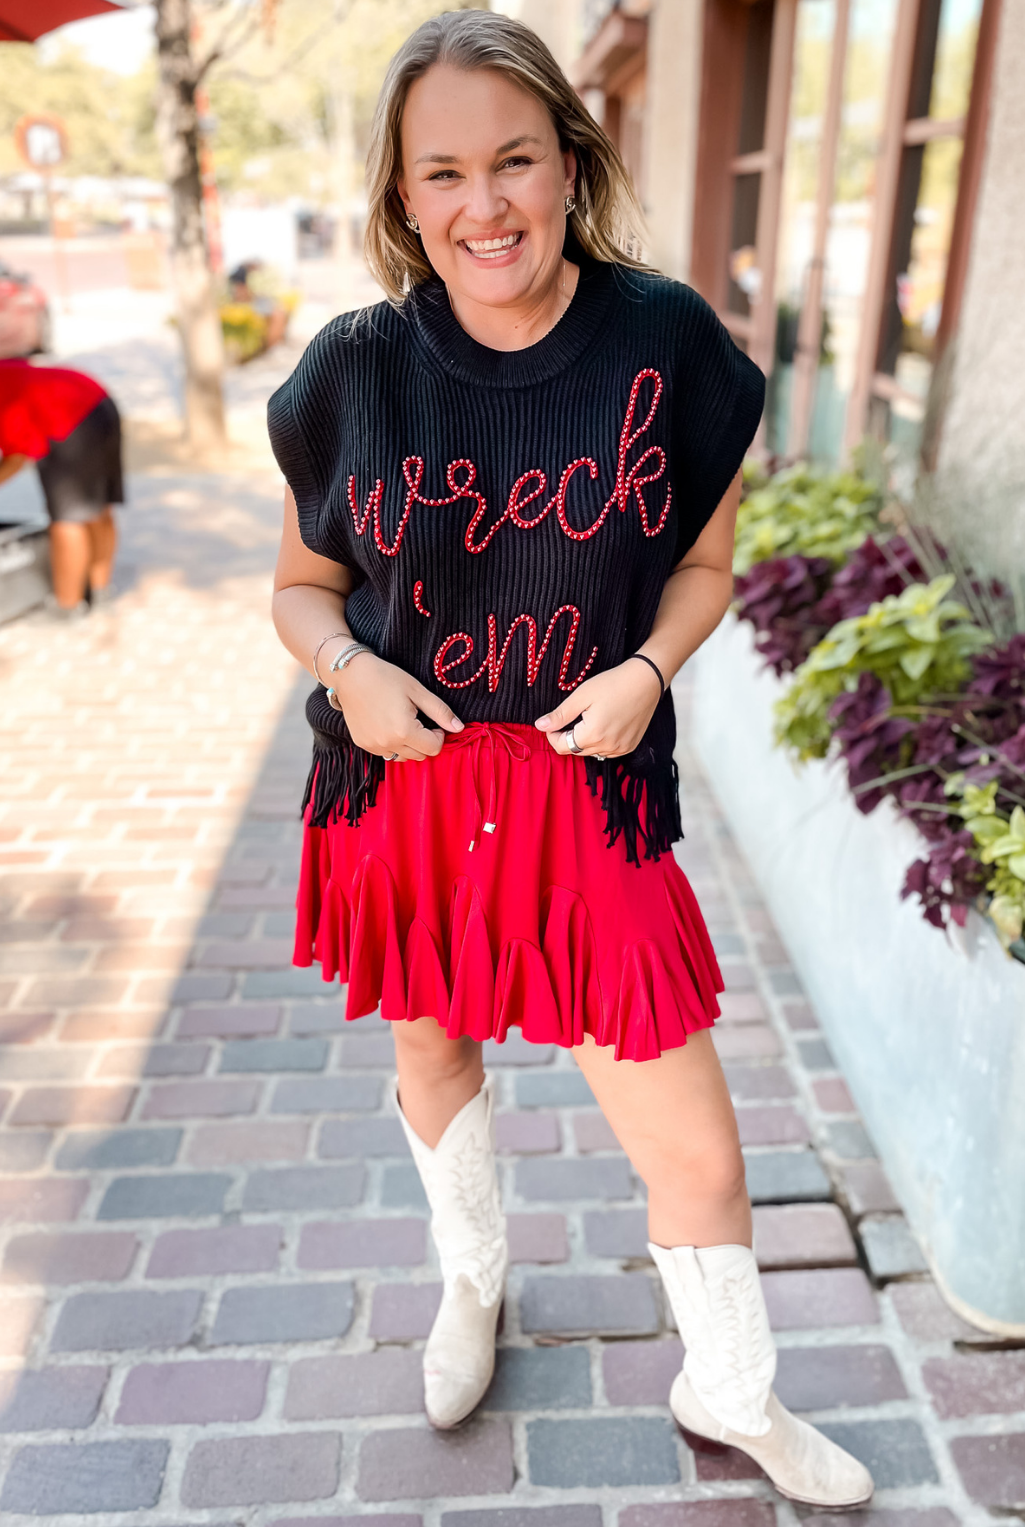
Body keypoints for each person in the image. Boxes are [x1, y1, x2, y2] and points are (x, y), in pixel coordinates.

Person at [268, 9, 873, 1510]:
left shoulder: (664, 341)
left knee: (699, 1148)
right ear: (404, 196)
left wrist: (647, 667)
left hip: (584, 789)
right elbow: (300, 585)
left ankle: (729, 1386)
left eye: (517, 160)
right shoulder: (354, 364)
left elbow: (705, 568)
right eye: (447, 171)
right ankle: (471, 1280)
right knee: (432, 1047)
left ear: (569, 162)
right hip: (404, 785)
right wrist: (348, 673)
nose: (488, 204)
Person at [0, 358, 123, 617]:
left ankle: (67, 609)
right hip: (99, 403)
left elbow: (16, 458)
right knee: (98, 509)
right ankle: (100, 594)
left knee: (68, 518)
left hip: (67, 421)